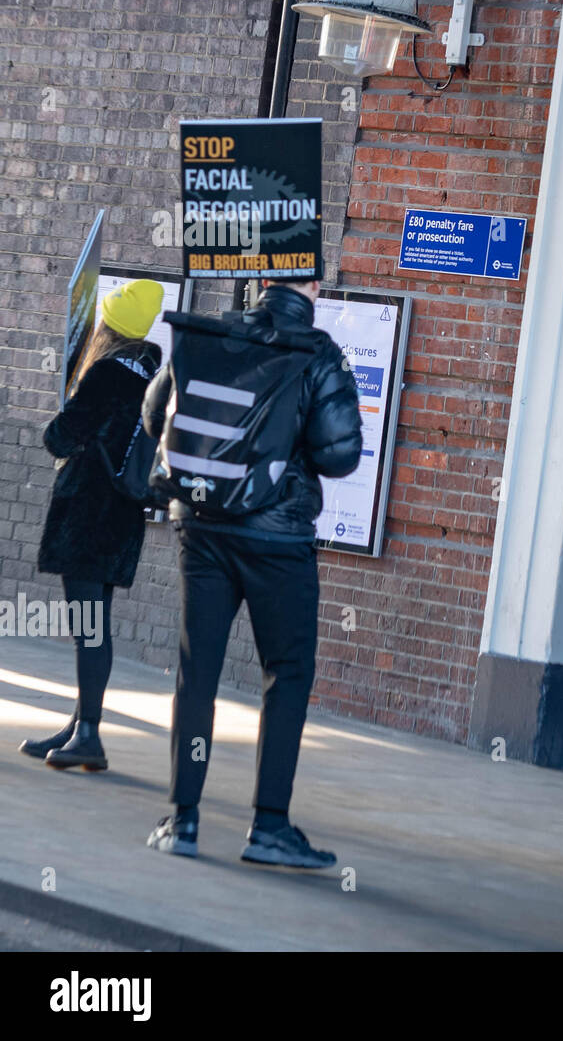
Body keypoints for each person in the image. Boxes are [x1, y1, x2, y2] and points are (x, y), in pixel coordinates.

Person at [141, 278, 362, 866]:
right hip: (277, 537)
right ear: (312, 283)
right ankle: (268, 827)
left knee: (198, 672)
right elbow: (340, 453)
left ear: (261, 279)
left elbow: (152, 417)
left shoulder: (210, 332)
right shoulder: (317, 352)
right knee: (285, 675)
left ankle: (182, 821)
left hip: (202, 527)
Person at [21, 279, 165, 771]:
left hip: (85, 518)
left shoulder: (104, 374)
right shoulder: (151, 377)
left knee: (89, 628)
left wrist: (58, 415)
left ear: (111, 326)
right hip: (121, 520)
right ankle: (79, 725)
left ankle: (88, 734)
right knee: (94, 624)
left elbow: (61, 439)